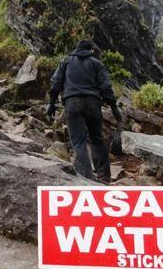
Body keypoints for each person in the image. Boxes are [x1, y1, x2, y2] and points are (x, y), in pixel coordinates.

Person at [45, 40, 123, 183]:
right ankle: (104, 178)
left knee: (79, 142)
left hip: (72, 103)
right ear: (91, 50)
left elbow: (56, 83)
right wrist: (114, 107)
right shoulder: (96, 63)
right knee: (97, 139)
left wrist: (51, 103)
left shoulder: (66, 62)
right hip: (93, 104)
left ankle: (86, 179)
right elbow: (106, 86)